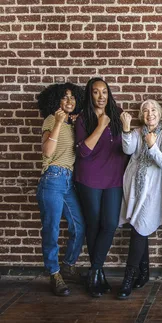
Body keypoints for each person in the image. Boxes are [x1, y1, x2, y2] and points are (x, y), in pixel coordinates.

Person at [75, 77, 128, 298]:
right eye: (96, 92)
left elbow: (126, 147)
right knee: (94, 224)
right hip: (89, 178)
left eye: (104, 91)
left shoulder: (117, 114)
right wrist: (100, 126)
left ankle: (94, 270)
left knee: (110, 224)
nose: (101, 96)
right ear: (90, 95)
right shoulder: (83, 118)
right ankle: (98, 274)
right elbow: (83, 151)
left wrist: (125, 128)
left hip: (114, 178)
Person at [116, 100, 162, 300]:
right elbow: (127, 149)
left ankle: (128, 278)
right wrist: (125, 129)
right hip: (133, 187)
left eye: (154, 110)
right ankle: (145, 272)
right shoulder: (138, 131)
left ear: (160, 112)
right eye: (146, 111)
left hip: (152, 190)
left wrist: (152, 145)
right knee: (139, 227)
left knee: (140, 227)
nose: (150, 114)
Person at [36, 83, 86, 296]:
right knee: (52, 229)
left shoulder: (72, 123)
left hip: (68, 182)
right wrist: (57, 123)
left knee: (79, 226)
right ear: (56, 100)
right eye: (64, 97)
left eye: (72, 97)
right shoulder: (51, 119)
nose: (69, 101)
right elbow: (47, 152)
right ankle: (54, 273)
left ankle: (68, 264)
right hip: (53, 179)